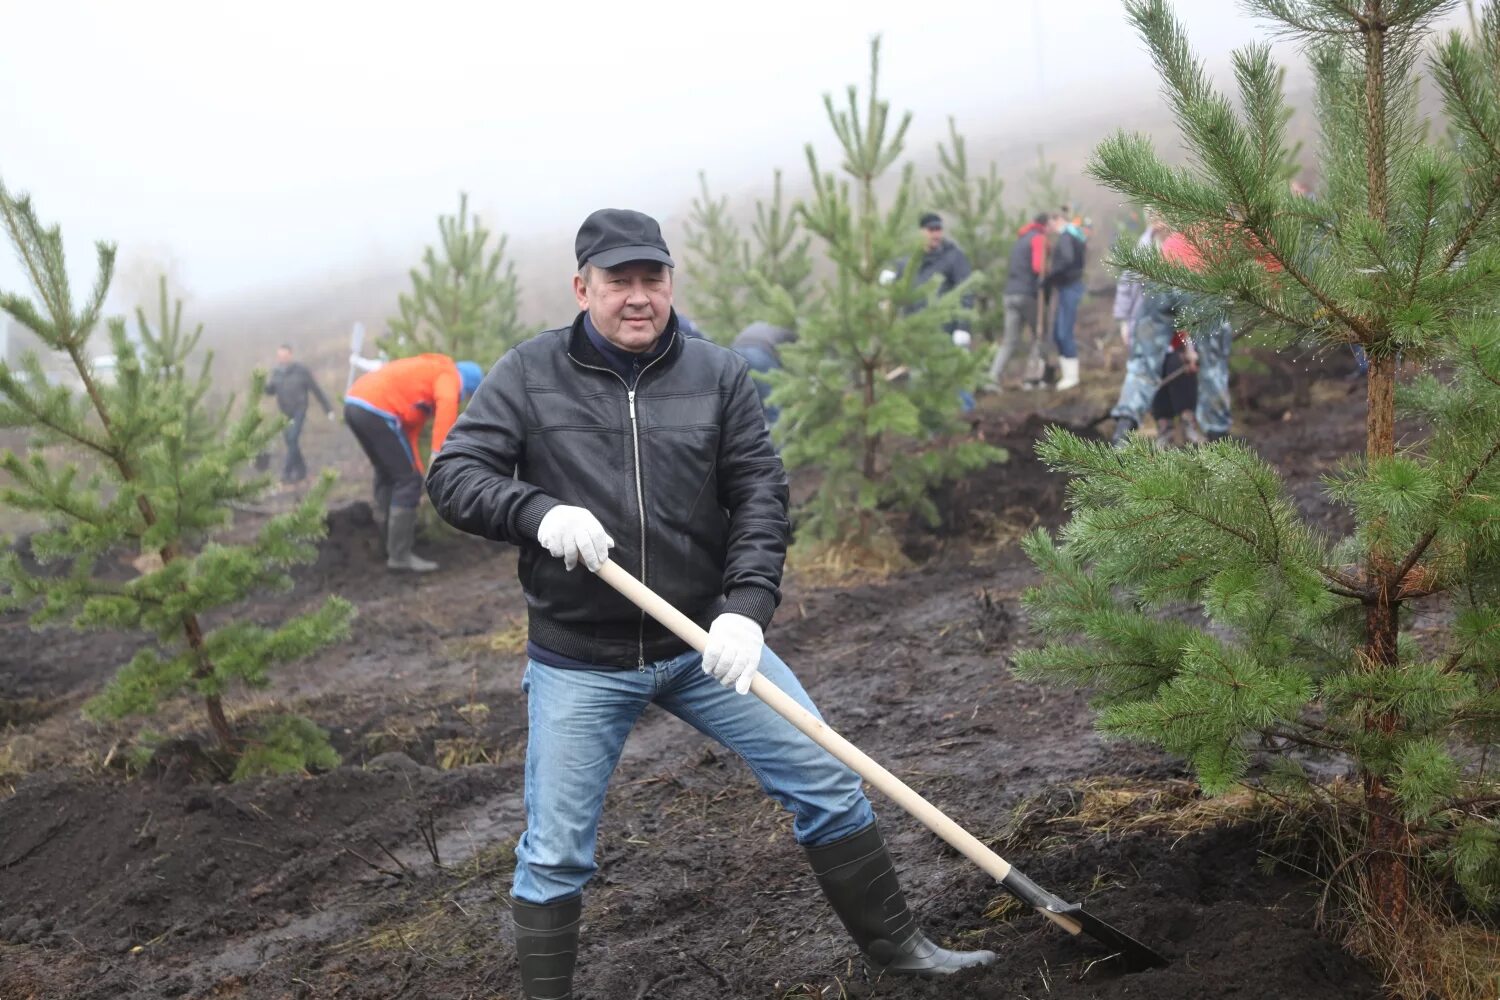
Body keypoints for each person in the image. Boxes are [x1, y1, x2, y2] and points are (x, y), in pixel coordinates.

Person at [426, 208, 996, 999]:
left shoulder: (716, 374)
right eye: (617, 281)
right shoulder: (528, 374)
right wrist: (538, 513)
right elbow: (453, 476)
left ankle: (901, 950)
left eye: (650, 279)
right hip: (581, 657)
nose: (636, 297)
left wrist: (745, 609)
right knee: (556, 852)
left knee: (828, 782)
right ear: (581, 286)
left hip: (702, 642)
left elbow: (761, 493)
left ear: (670, 282)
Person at [344, 353, 482, 572]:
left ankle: (387, 543)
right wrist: (439, 454)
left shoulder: (426, 381)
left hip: (356, 404)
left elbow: (408, 435)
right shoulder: (449, 374)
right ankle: (399, 555)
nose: (462, 399)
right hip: (375, 408)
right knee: (406, 481)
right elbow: (447, 403)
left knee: (393, 474)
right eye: (466, 395)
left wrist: (420, 470)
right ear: (467, 385)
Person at [1110, 230, 1233, 445]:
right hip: (1201, 281)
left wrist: (1187, 345)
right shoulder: (1232, 225)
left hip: (1161, 284)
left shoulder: (1174, 234)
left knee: (1142, 365)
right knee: (1213, 367)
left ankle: (1122, 433)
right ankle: (1218, 439)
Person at [891, 212, 977, 410]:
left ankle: (969, 425)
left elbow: (966, 291)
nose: (936, 234)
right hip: (917, 337)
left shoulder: (954, 257)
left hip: (947, 333)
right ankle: (929, 435)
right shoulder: (908, 262)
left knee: (956, 381)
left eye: (938, 229)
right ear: (921, 232)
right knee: (921, 385)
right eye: (931, 230)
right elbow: (897, 290)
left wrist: (963, 327)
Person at [988, 214, 1050, 390]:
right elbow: (1039, 267)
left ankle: (992, 377)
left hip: (1010, 294)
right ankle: (1033, 377)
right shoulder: (1038, 238)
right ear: (1043, 225)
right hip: (1027, 294)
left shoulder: (1020, 240)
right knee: (1040, 334)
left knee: (1009, 341)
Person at [264, 344, 333, 486]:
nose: (282, 359)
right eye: (280, 356)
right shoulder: (276, 372)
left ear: (290, 355)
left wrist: (328, 409)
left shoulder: (301, 370)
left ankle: (286, 473)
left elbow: (316, 389)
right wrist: (262, 386)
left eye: (284, 355)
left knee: (293, 437)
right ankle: (301, 471)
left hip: (299, 410)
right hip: (284, 412)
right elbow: (271, 391)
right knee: (290, 441)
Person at [1043, 212, 1087, 391]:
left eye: (1051, 223)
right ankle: (1067, 374)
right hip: (1067, 286)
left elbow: (1067, 260)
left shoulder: (1066, 236)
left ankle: (1072, 376)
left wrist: (1051, 276)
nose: (1050, 228)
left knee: (1063, 332)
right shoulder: (1072, 235)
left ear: (1058, 220)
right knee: (1058, 332)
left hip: (1070, 287)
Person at [731, 320, 796, 430]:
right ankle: (779, 444)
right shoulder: (788, 334)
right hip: (759, 352)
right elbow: (794, 355)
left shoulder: (762, 327)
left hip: (734, 353)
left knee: (744, 407)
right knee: (773, 404)